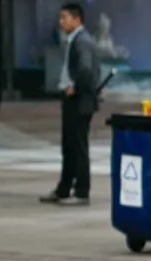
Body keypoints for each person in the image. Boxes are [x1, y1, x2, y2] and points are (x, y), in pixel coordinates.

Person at [40, 3, 102, 206]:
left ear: (77, 19)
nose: (61, 22)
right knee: (70, 146)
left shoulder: (81, 41)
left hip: (78, 101)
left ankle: (81, 191)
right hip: (75, 100)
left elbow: (86, 70)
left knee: (78, 146)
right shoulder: (74, 40)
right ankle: (64, 188)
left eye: (64, 17)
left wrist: (75, 86)